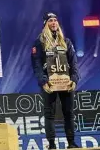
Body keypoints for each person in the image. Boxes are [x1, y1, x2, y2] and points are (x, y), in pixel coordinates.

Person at [31, 12, 80, 149]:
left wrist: (74, 79)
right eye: (50, 21)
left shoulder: (66, 41)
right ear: (45, 24)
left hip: (66, 82)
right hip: (49, 84)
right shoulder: (39, 42)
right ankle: (52, 145)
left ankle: (71, 143)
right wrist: (43, 81)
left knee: (69, 113)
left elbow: (74, 63)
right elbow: (36, 64)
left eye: (55, 20)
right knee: (49, 114)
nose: (54, 23)